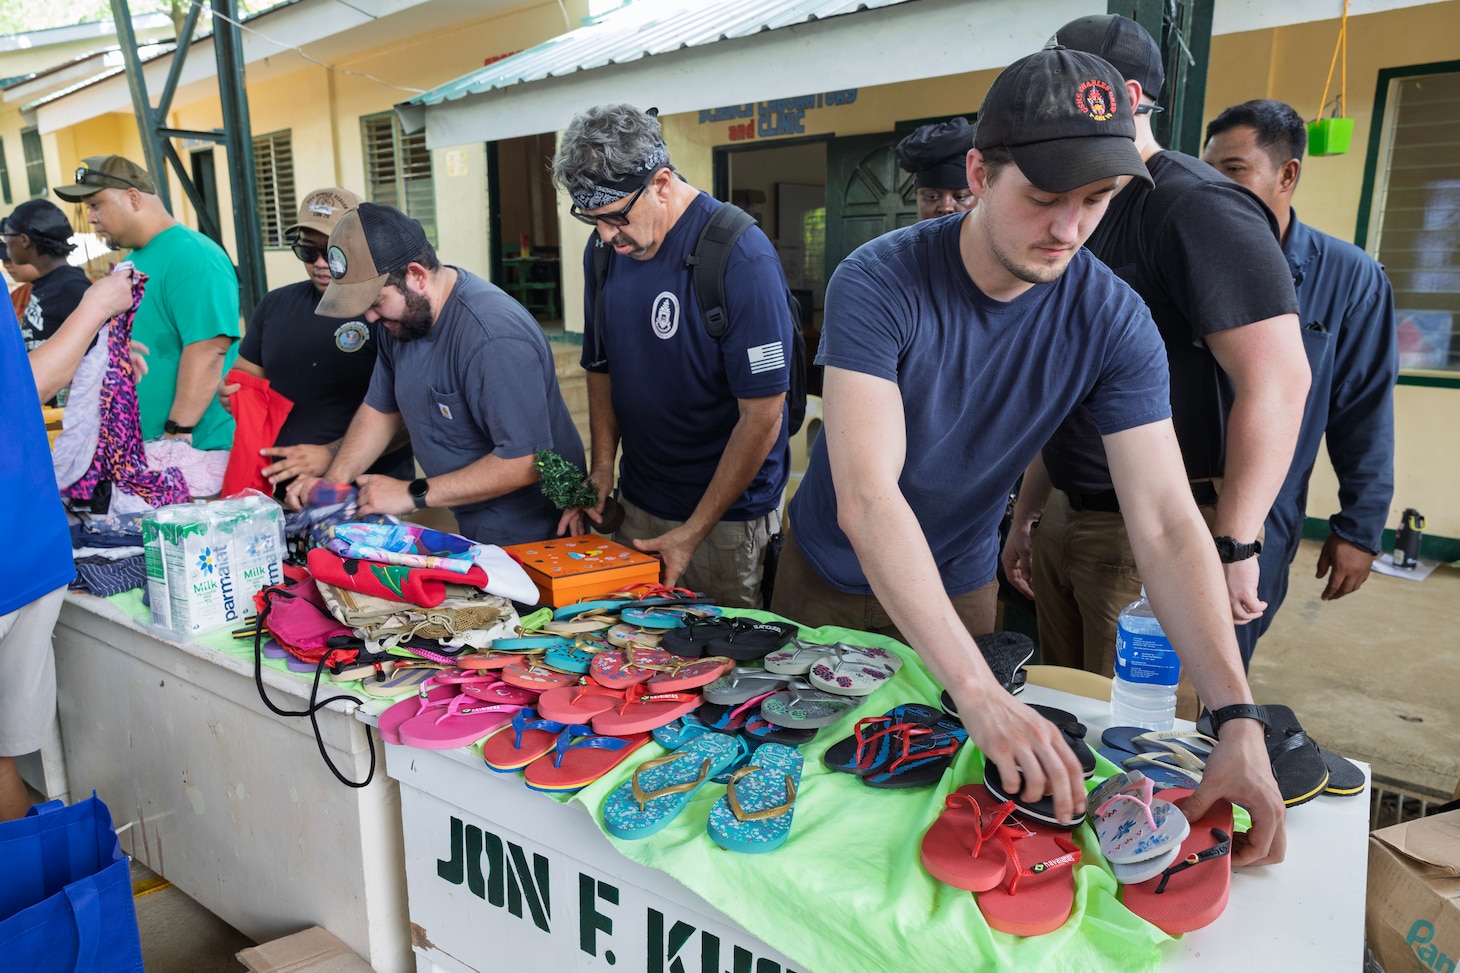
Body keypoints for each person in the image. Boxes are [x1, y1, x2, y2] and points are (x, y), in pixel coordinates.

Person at [771, 47, 1285, 863]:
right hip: (827, 572)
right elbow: (868, 496)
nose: (1070, 229)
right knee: (802, 783)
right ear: (978, 173)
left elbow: (1163, 519)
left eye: (1097, 199)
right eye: (1045, 198)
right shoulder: (879, 280)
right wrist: (977, 691)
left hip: (961, 578)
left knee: (942, 796)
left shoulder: (1113, 320)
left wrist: (1236, 716)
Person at [1001, 16, 1309, 716]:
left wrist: (1235, 541)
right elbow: (1071, 376)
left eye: (1069, 84)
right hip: (1070, 513)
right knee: (1066, 718)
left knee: (1141, 741)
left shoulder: (1191, 206)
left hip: (1152, 532)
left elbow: (1279, 380)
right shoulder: (1080, 209)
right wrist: (1031, 510)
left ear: (1127, 93)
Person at [550, 104, 796, 607]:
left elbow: (764, 415)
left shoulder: (739, 256)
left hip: (724, 519)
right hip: (640, 500)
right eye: (591, 221)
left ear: (662, 183)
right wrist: (602, 468)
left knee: (723, 663)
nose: (605, 237)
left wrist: (695, 529)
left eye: (617, 217)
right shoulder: (603, 254)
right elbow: (601, 366)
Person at [1202, 99, 1397, 668]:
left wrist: (1359, 529)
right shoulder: (1191, 257)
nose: (1214, 186)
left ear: (1287, 174)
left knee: (1221, 669)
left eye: (1234, 170)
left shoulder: (1349, 278)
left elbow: (1363, 410)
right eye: (1207, 170)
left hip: (1267, 514)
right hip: (1166, 500)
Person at [284, 203, 583, 547]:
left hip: (529, 530)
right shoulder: (400, 320)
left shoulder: (492, 337)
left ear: (417, 275)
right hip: (464, 512)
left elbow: (524, 461)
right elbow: (381, 409)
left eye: (376, 301)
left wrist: (411, 493)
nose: (368, 318)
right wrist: (333, 483)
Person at [1, 271, 133, 820]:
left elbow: (18, 383)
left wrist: (90, 325)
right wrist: (93, 317)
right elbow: (20, 384)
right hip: (27, 539)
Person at [220, 187, 413, 491]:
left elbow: (412, 414)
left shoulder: (383, 308)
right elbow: (247, 372)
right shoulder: (275, 305)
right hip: (281, 492)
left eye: (332, 251)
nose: (321, 263)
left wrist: (331, 455)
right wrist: (234, 393)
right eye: (309, 252)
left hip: (367, 493)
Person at [54, 155, 238, 451]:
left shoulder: (193, 256)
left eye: (95, 204)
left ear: (133, 198)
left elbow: (209, 349)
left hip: (194, 449)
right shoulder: (131, 261)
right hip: (145, 447)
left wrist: (176, 434)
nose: (90, 217)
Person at [1, 199, 93, 355]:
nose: (6, 243)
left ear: (24, 240)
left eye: (7, 236)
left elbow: (100, 346)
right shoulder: (44, 284)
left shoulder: (70, 287)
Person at [895, 117, 979, 221]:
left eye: (960, 197)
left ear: (980, 197)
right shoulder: (895, 238)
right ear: (916, 195)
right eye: (932, 196)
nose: (946, 208)